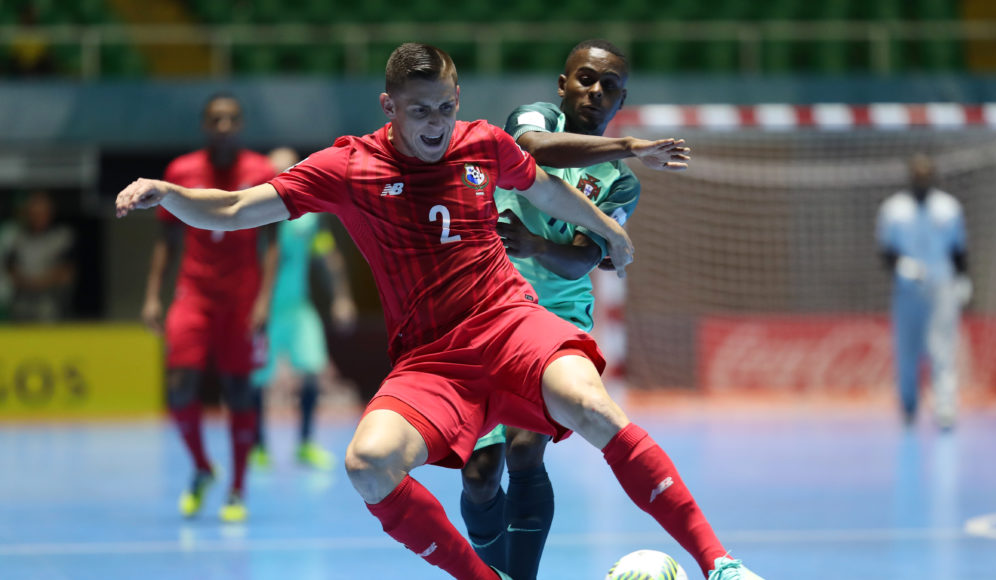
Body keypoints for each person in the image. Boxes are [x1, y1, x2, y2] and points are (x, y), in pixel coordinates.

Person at [116, 43, 762, 580]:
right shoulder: (348, 167)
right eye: (420, 110)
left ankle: (720, 563)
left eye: (446, 107)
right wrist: (169, 193)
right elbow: (235, 208)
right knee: (368, 464)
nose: (436, 123)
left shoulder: (482, 143)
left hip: (510, 322)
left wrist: (611, 231)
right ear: (389, 106)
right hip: (430, 359)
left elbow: (546, 190)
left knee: (592, 406)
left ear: (458, 99)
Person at [459, 39, 691, 580]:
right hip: (488, 308)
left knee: (525, 450)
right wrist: (630, 144)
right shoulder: (534, 118)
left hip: (558, 316)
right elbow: (534, 150)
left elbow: (584, 259)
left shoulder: (621, 184)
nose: (596, 91)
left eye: (610, 86)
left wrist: (536, 245)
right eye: (586, 79)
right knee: (479, 475)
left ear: (621, 99)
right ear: (563, 84)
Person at [140, 93, 279, 522]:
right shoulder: (180, 172)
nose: (223, 127)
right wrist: (152, 295)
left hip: (242, 299)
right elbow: (166, 241)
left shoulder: (261, 172)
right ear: (204, 125)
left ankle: (237, 489)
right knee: (179, 385)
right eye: (216, 120)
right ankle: (202, 467)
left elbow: (273, 242)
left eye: (231, 119)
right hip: (194, 294)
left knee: (239, 392)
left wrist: (264, 300)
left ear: (241, 125)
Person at [248, 147, 359, 471]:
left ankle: (306, 444)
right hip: (262, 311)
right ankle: (258, 447)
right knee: (257, 380)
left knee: (312, 372)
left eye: (287, 169)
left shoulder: (308, 219)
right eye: (274, 170)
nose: (281, 176)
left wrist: (342, 297)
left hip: (298, 309)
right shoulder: (252, 214)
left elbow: (328, 258)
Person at [877, 153, 969, 430]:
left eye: (926, 175)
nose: (922, 180)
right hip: (907, 290)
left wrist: (963, 280)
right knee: (906, 349)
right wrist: (902, 266)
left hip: (940, 286)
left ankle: (945, 406)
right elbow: (885, 252)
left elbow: (959, 251)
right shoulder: (893, 210)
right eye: (917, 175)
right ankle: (908, 405)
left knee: (942, 348)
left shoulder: (949, 208)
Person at [6, 190, 76, 322]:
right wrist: (28, 283)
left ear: (50, 213)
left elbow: (67, 272)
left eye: (42, 213)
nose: (37, 217)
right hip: (22, 301)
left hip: (51, 301)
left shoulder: (61, 237)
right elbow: (10, 269)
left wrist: (41, 283)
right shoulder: (17, 237)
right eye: (34, 213)